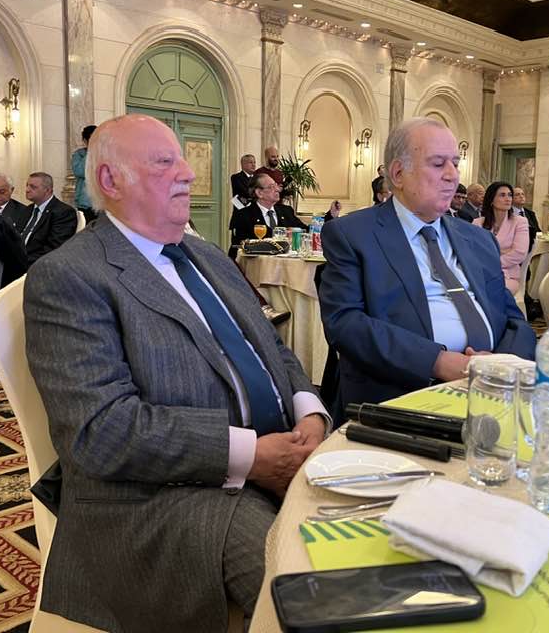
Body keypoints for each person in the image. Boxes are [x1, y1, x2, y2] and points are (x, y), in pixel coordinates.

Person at [23, 114, 327, 631]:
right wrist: (253, 457)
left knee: (384, 539)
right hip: (163, 497)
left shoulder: (207, 256)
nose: (188, 173)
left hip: (284, 451)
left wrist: (310, 414)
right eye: (165, 162)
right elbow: (101, 431)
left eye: (182, 160)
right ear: (110, 180)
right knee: (307, 590)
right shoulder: (69, 275)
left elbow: (272, 348)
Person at [320, 117, 536, 417]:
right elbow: (345, 323)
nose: (453, 176)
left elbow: (513, 318)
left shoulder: (478, 239)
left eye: (455, 163)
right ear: (398, 173)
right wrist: (438, 361)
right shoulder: (354, 234)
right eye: (437, 164)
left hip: (495, 391)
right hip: (404, 394)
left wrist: (501, 364)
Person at [473, 182, 529, 294]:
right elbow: (473, 251)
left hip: (508, 276)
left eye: (509, 195)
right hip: (480, 274)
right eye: (502, 195)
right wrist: (504, 251)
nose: (508, 199)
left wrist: (490, 260)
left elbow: (519, 253)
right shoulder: (477, 223)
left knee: (490, 290)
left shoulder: (520, 222)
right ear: (491, 200)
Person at [228, 174, 308, 247]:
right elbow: (238, 245)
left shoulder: (287, 211)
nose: (277, 189)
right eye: (271, 187)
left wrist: (296, 232)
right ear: (259, 193)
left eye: (276, 185)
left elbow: (306, 230)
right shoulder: (243, 215)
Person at [19, 172, 78, 265]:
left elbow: (54, 248)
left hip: (35, 264)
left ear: (47, 190)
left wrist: (20, 261)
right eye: (27, 185)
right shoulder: (28, 210)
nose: (27, 190)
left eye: (33, 187)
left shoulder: (64, 212)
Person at [70, 125, 97, 223]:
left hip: (104, 203)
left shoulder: (106, 153)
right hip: (85, 203)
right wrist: (91, 152)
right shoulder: (79, 154)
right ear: (85, 141)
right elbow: (80, 171)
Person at [512, 186, 541, 250]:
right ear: (511, 198)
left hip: (532, 245)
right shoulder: (508, 213)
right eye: (517, 194)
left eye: (522, 194)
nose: (521, 196)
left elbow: (538, 231)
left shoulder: (530, 213)